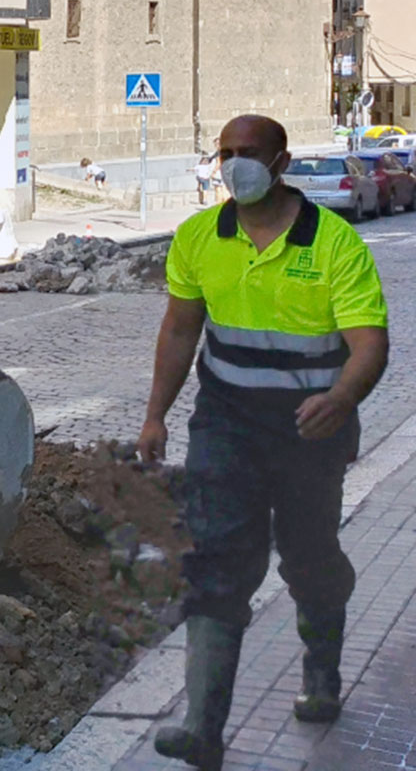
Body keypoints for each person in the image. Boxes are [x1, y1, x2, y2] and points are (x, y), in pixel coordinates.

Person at [139, 115, 389, 770]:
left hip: (312, 431)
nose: (234, 164)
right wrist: (155, 416)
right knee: (217, 559)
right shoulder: (199, 237)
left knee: (309, 559)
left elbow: (370, 343)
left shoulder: (334, 244)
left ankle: (320, 673)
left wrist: (341, 398)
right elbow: (178, 330)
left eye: (249, 153)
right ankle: (203, 727)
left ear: (280, 162)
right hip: (226, 423)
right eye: (226, 152)